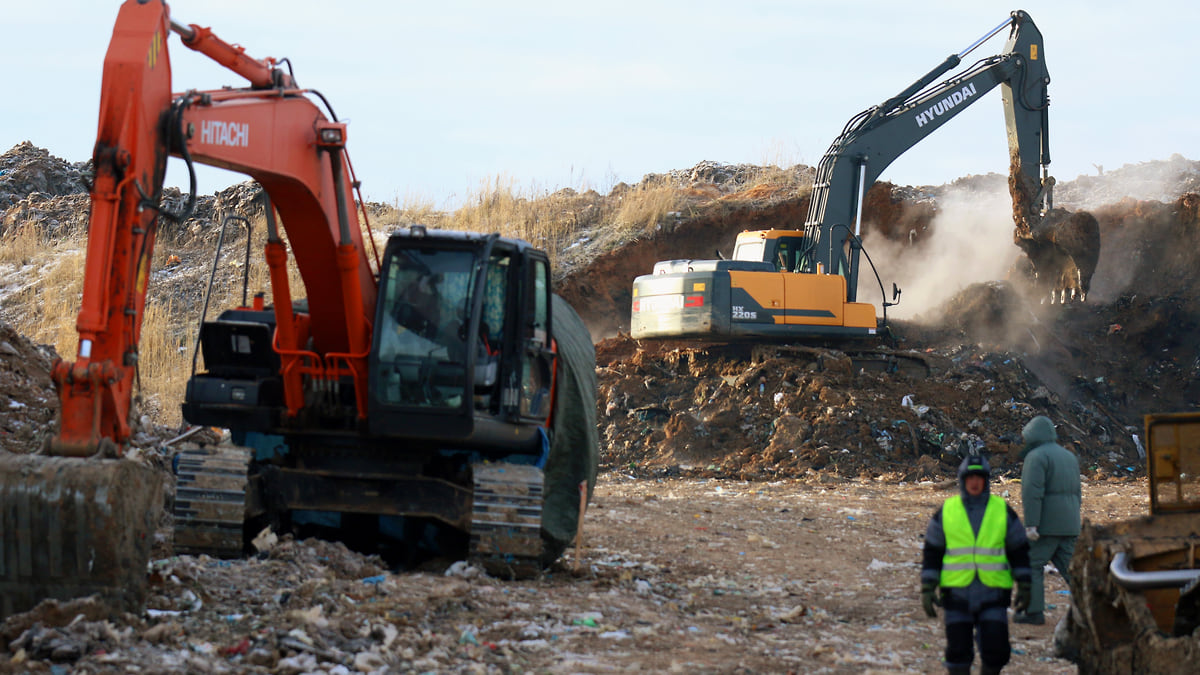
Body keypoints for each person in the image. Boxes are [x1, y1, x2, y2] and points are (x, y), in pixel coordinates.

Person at [921, 454, 1032, 675]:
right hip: (956, 595)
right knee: (958, 652)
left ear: (987, 481)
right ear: (962, 480)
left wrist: (1025, 583)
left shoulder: (1002, 511)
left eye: (979, 478)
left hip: (993, 594)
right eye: (970, 477)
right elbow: (933, 551)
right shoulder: (947, 511)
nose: (974, 482)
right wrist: (927, 586)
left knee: (996, 650)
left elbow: (1018, 550)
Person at [1016, 415, 1082, 625]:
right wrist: (1072, 520)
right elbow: (1077, 493)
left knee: (1031, 564)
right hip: (1070, 525)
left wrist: (1032, 525)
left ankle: (1033, 612)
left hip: (1046, 526)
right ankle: (1098, 610)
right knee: (1074, 571)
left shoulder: (1036, 457)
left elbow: (1032, 493)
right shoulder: (1069, 456)